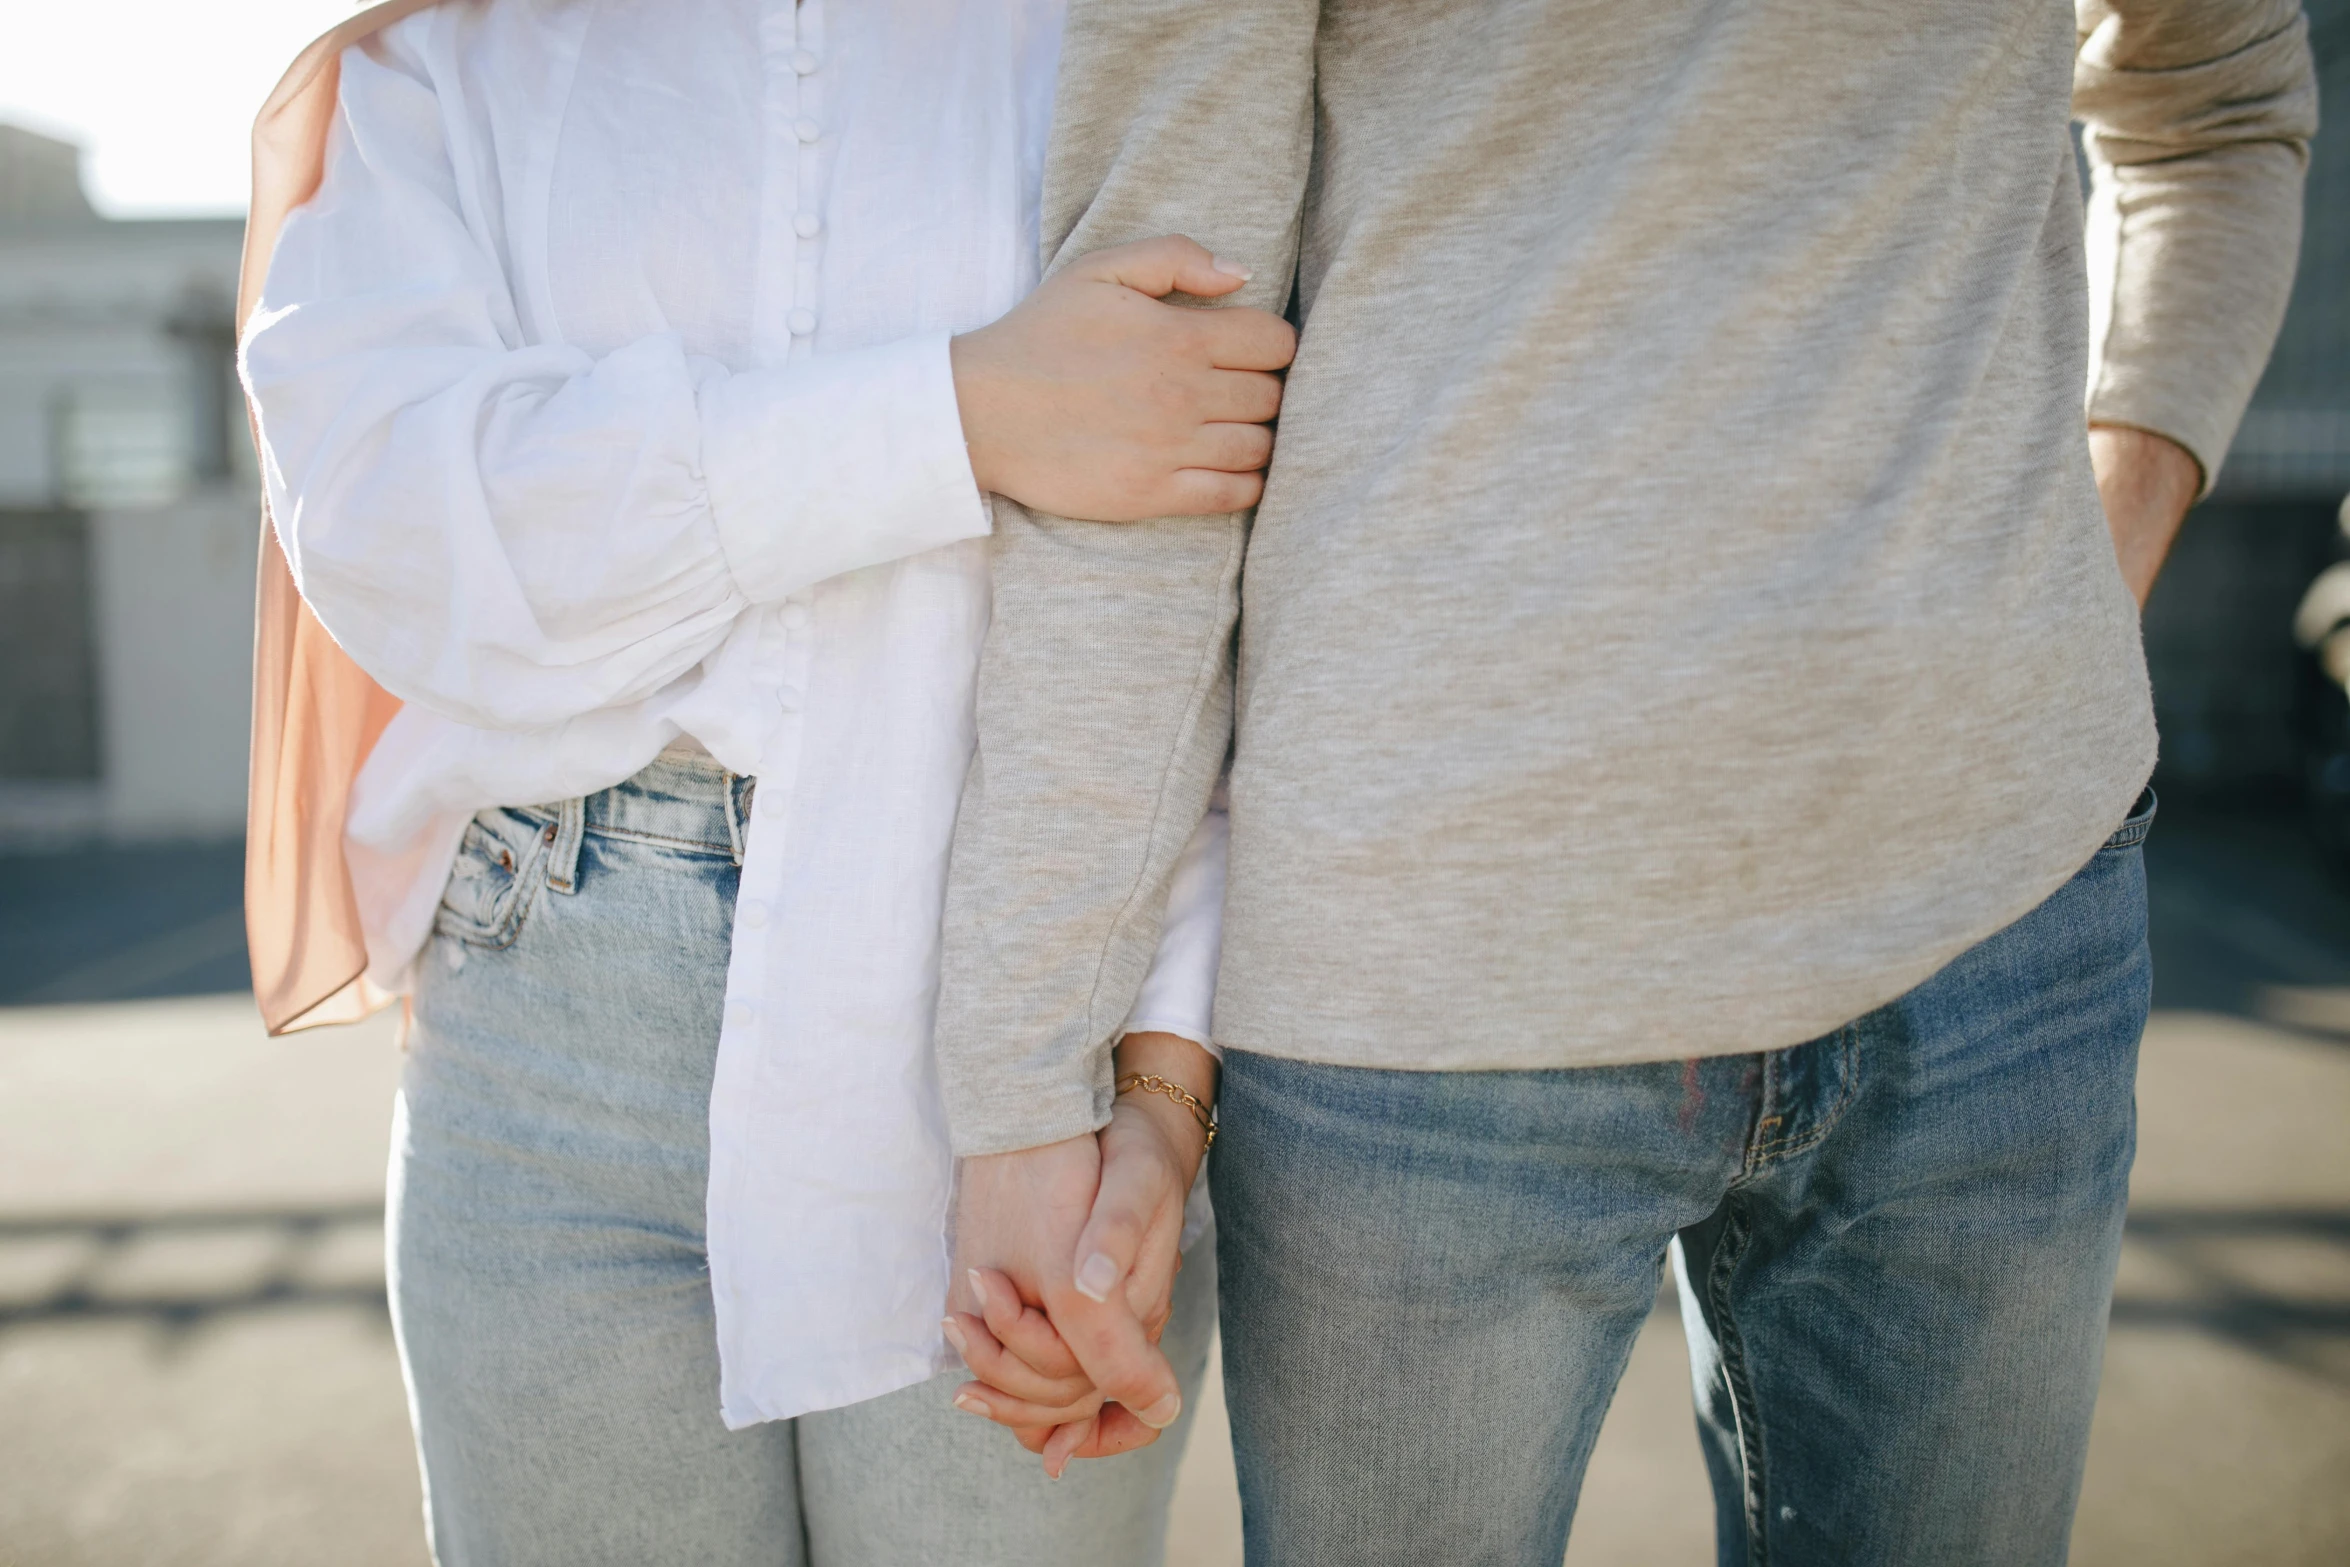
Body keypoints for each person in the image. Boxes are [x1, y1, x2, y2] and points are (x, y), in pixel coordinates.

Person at [939, 2, 2318, 1562]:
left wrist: (2099, 553)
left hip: (1996, 943)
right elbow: (1150, 371)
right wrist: (1028, 1085)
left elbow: (2213, 100)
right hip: (1427, 1006)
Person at [237, 0, 1291, 1561]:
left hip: (1017, 1020)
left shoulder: (1109, 31)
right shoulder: (447, 57)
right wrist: (959, 410)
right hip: (546, 1025)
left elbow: (1219, 603)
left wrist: (1158, 1079)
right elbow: (395, 527)